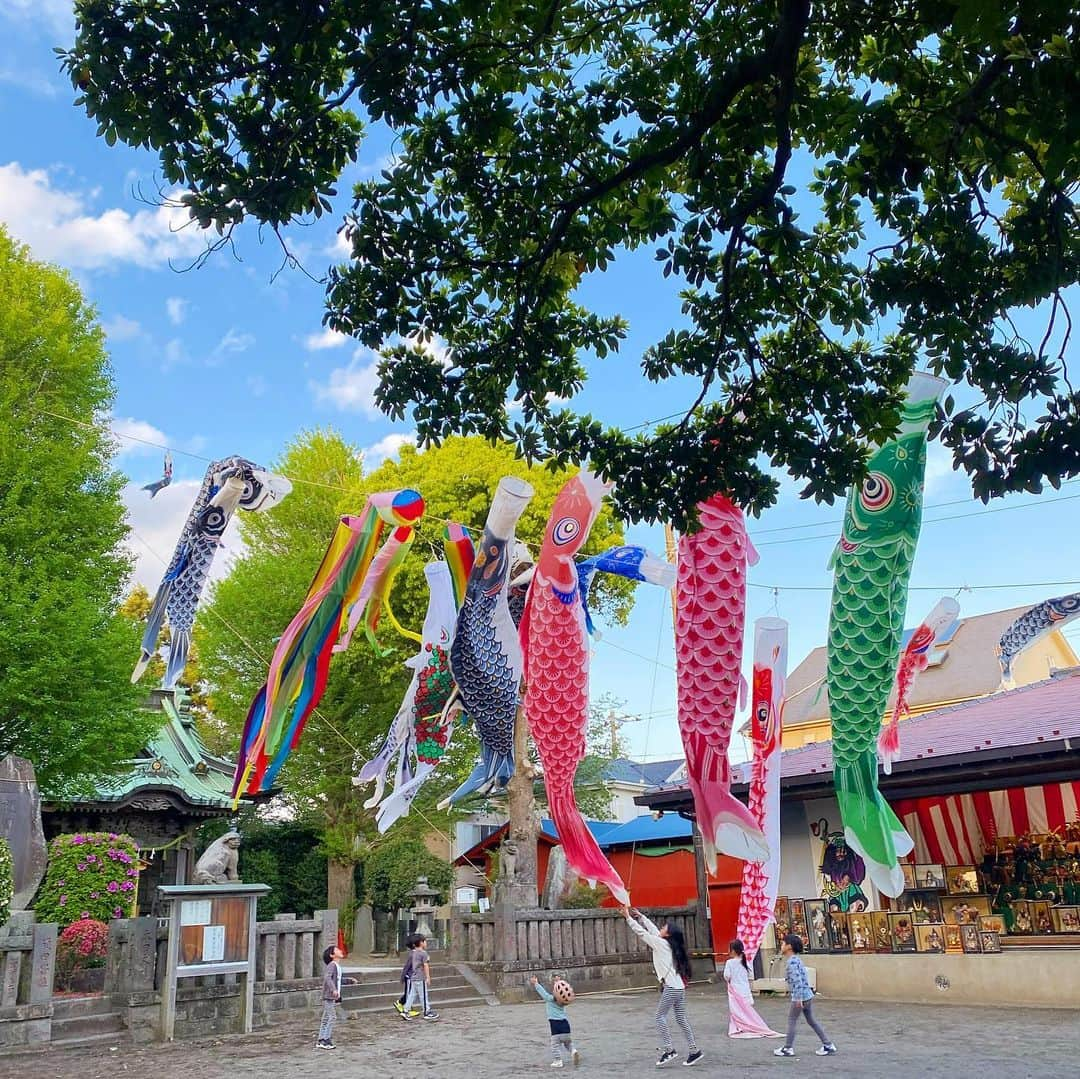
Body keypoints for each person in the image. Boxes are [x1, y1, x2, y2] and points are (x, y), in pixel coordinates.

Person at [622, 906, 702, 1067]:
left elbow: (643, 934)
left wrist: (628, 918)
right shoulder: (667, 943)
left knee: (659, 1017)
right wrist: (641, 916)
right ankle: (694, 1051)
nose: (662, 928)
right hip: (679, 987)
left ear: (668, 934)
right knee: (681, 1019)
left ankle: (669, 1049)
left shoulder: (661, 944)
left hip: (672, 988)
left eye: (665, 927)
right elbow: (652, 930)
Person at [773, 934, 836, 1059]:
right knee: (811, 1020)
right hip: (807, 995)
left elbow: (797, 982)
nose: (781, 946)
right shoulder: (797, 959)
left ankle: (788, 1048)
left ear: (789, 946)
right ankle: (828, 1044)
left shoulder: (791, 962)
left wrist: (798, 999)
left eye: (783, 943)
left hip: (800, 997)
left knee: (792, 1020)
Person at [723, 941, 781, 1039]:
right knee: (747, 1011)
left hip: (735, 990)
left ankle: (739, 1027)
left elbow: (726, 976)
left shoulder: (730, 962)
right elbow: (751, 976)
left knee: (737, 1011)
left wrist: (730, 980)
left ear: (733, 951)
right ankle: (749, 1025)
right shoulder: (746, 962)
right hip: (745, 990)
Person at [530, 975, 580, 1069]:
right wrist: (558, 981)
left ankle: (558, 1061)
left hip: (556, 1026)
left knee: (554, 1045)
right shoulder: (562, 1003)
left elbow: (543, 992)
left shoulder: (550, 999)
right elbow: (562, 991)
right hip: (566, 1025)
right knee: (567, 1043)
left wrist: (535, 983)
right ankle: (573, 1051)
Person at [317, 944, 356, 1050]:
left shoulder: (336, 966)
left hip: (330, 997)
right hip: (328, 996)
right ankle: (326, 1039)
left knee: (326, 1018)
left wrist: (349, 980)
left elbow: (337, 980)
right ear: (332, 955)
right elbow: (328, 978)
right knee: (332, 1017)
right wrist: (333, 990)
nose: (340, 951)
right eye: (337, 950)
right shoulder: (332, 965)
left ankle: (321, 1039)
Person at [401, 933, 439, 1021]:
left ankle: (406, 1010)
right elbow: (426, 965)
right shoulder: (423, 953)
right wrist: (428, 977)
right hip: (420, 977)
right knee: (423, 995)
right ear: (421, 943)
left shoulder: (414, 953)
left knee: (412, 995)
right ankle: (427, 1011)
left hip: (413, 977)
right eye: (425, 941)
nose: (426, 943)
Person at [394, 933, 421, 1018]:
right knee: (409, 993)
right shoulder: (413, 954)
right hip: (409, 977)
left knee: (411, 993)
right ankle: (401, 1004)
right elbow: (407, 967)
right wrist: (403, 977)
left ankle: (407, 1007)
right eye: (422, 941)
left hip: (414, 977)